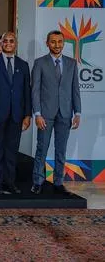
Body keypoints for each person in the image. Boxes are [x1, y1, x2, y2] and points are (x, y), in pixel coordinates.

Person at [31, 30, 81, 195]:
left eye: (59, 41)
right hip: (45, 114)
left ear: (63, 42)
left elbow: (75, 90)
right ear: (47, 43)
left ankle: (58, 182)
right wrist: (37, 113)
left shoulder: (72, 63)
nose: (57, 45)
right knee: (42, 148)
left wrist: (78, 113)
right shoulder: (39, 63)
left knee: (61, 149)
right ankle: (38, 181)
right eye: (53, 42)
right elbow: (35, 90)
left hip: (66, 113)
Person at [0, 31, 32, 194]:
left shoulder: (23, 65)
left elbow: (27, 91)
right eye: (5, 41)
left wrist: (27, 115)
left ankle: (10, 182)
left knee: (11, 151)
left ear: (15, 44)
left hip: (17, 115)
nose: (9, 43)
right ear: (1, 44)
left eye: (12, 41)